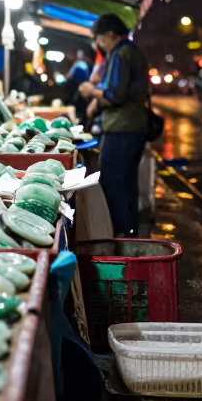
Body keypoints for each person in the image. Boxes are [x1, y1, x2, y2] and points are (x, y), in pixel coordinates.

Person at [79, 14, 151, 237]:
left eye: (99, 39)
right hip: (133, 127)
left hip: (122, 128)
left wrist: (92, 92)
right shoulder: (131, 51)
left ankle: (121, 233)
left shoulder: (122, 53)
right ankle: (130, 231)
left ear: (110, 35)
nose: (99, 45)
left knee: (112, 180)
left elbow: (114, 94)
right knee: (126, 182)